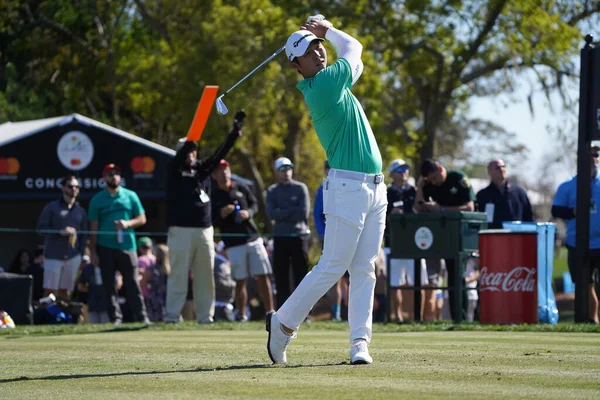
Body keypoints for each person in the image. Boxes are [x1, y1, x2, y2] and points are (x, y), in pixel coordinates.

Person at [266, 17, 387, 365]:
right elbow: (355, 48)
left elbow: (356, 60)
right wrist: (327, 29)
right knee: (333, 265)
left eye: (318, 46)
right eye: (308, 50)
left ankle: (359, 344)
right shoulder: (323, 86)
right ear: (296, 64)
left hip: (374, 189)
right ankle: (283, 323)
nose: (318, 52)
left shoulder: (335, 82)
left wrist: (323, 36)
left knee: (364, 269)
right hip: (348, 187)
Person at [165, 111, 245, 324]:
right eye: (187, 150)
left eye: (194, 150)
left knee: (205, 276)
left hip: (204, 230)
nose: (191, 154)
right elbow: (179, 159)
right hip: (180, 230)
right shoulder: (173, 170)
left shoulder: (201, 170)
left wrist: (234, 134)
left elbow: (219, 155)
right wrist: (189, 142)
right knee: (179, 275)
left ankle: (205, 317)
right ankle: (172, 316)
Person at [211, 159, 275, 322]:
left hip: (253, 238)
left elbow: (255, 204)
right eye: (220, 170)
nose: (224, 172)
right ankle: (241, 315)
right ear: (214, 175)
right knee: (241, 280)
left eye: (226, 168)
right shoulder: (214, 196)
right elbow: (213, 221)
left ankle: (271, 313)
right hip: (233, 243)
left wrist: (248, 213)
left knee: (263, 275)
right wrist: (222, 215)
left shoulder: (240, 187)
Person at [414, 159, 475, 321]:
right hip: (437, 237)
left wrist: (441, 209)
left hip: (458, 236)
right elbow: (418, 208)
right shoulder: (429, 184)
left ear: (440, 169)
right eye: (430, 180)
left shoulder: (458, 178)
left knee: (457, 277)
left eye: (434, 178)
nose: (433, 182)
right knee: (434, 279)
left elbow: (470, 207)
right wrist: (420, 187)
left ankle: (460, 318)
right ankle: (437, 317)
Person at [88, 163, 149, 324]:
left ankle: (142, 317)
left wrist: (127, 224)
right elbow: (93, 228)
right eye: (110, 174)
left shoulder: (130, 196)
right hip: (105, 247)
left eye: (116, 174)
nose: (113, 176)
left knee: (132, 283)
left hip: (128, 247)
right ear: (104, 178)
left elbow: (142, 218)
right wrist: (93, 252)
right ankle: (115, 318)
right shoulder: (97, 200)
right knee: (109, 285)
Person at [551, 146, 600, 324]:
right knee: (585, 285)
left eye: (597, 155)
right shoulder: (568, 186)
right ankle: (592, 320)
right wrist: (574, 211)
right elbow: (556, 210)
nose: (594, 158)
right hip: (577, 243)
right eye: (590, 155)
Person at [266, 156, 311, 308]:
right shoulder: (272, 191)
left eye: (288, 169)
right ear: (276, 172)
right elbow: (272, 214)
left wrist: (282, 213)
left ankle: (304, 312)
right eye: (282, 170)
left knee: (301, 276)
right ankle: (282, 312)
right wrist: (292, 210)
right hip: (280, 238)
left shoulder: (300, 188)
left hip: (299, 237)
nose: (286, 172)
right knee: (281, 278)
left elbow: (303, 213)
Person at [384, 159, 424, 323]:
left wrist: (419, 192)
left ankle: (418, 318)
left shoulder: (413, 191)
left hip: (414, 243)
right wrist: (390, 215)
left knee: (418, 282)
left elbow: (421, 211)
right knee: (395, 283)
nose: (404, 172)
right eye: (400, 170)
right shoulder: (385, 192)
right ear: (392, 174)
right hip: (393, 243)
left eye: (406, 169)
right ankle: (397, 316)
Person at [36, 175, 88, 299]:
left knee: (65, 292)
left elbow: (84, 236)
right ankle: (46, 317)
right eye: (70, 186)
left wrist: (80, 255)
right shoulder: (51, 207)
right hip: (53, 255)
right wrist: (60, 232)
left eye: (76, 186)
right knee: (50, 291)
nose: (74, 189)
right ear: (63, 188)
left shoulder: (81, 211)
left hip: (73, 256)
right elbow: (41, 229)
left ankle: (62, 318)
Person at [314, 160, 344, 321]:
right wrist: (323, 235)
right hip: (330, 238)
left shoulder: (347, 189)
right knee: (335, 278)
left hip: (347, 237)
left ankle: (353, 313)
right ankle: (336, 313)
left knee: (354, 276)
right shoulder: (322, 189)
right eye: (329, 169)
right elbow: (317, 214)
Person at [476, 159, 534, 228]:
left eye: (504, 166)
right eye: (498, 167)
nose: (502, 169)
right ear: (489, 172)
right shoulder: (482, 195)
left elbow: (529, 219)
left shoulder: (519, 192)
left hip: (516, 236)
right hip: (492, 236)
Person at [141, 243, 170, 322]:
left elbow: (142, 284)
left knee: (155, 320)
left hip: (154, 298)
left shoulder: (151, 269)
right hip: (169, 297)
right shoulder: (171, 270)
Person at [77, 255, 109, 324]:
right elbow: (80, 286)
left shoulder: (108, 266)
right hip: (95, 302)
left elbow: (80, 287)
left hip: (101, 302)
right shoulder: (88, 268)